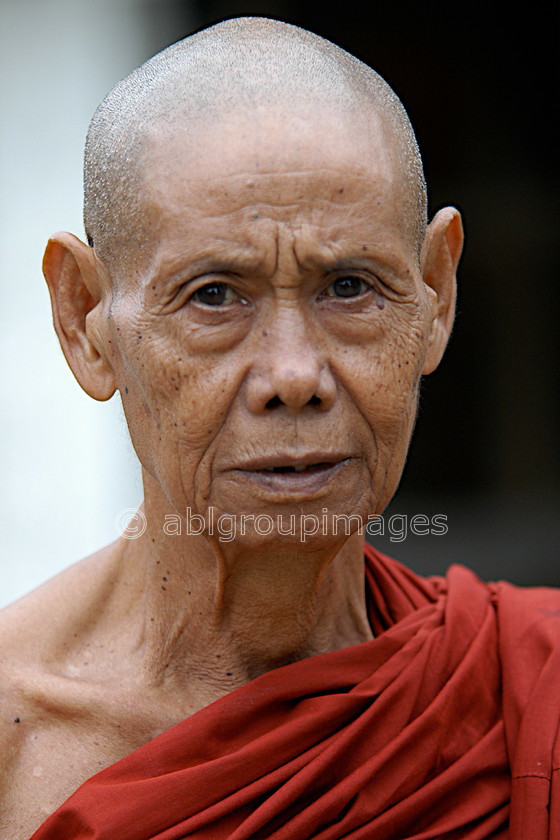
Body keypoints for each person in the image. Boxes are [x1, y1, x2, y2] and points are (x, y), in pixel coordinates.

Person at [0, 16, 558, 840]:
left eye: (350, 286)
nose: (294, 376)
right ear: (85, 320)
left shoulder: (529, 690)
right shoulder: (20, 742)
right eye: (216, 295)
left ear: (437, 295)